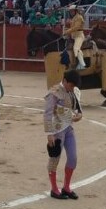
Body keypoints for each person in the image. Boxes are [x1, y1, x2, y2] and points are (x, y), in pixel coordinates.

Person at [44, 69, 83, 199]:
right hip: (56, 130)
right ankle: (54, 189)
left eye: (74, 86)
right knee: (54, 159)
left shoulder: (74, 91)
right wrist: (49, 134)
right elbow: (48, 113)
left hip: (69, 128)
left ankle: (66, 187)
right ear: (64, 81)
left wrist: (79, 116)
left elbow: (77, 109)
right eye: (71, 85)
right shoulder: (54, 92)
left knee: (73, 158)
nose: (72, 89)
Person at [64, 5, 86, 70]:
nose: (71, 12)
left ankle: (82, 64)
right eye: (70, 11)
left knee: (76, 48)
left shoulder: (79, 17)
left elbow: (76, 27)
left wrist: (67, 31)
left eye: (72, 11)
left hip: (79, 36)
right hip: (73, 36)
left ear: (76, 11)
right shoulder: (74, 18)